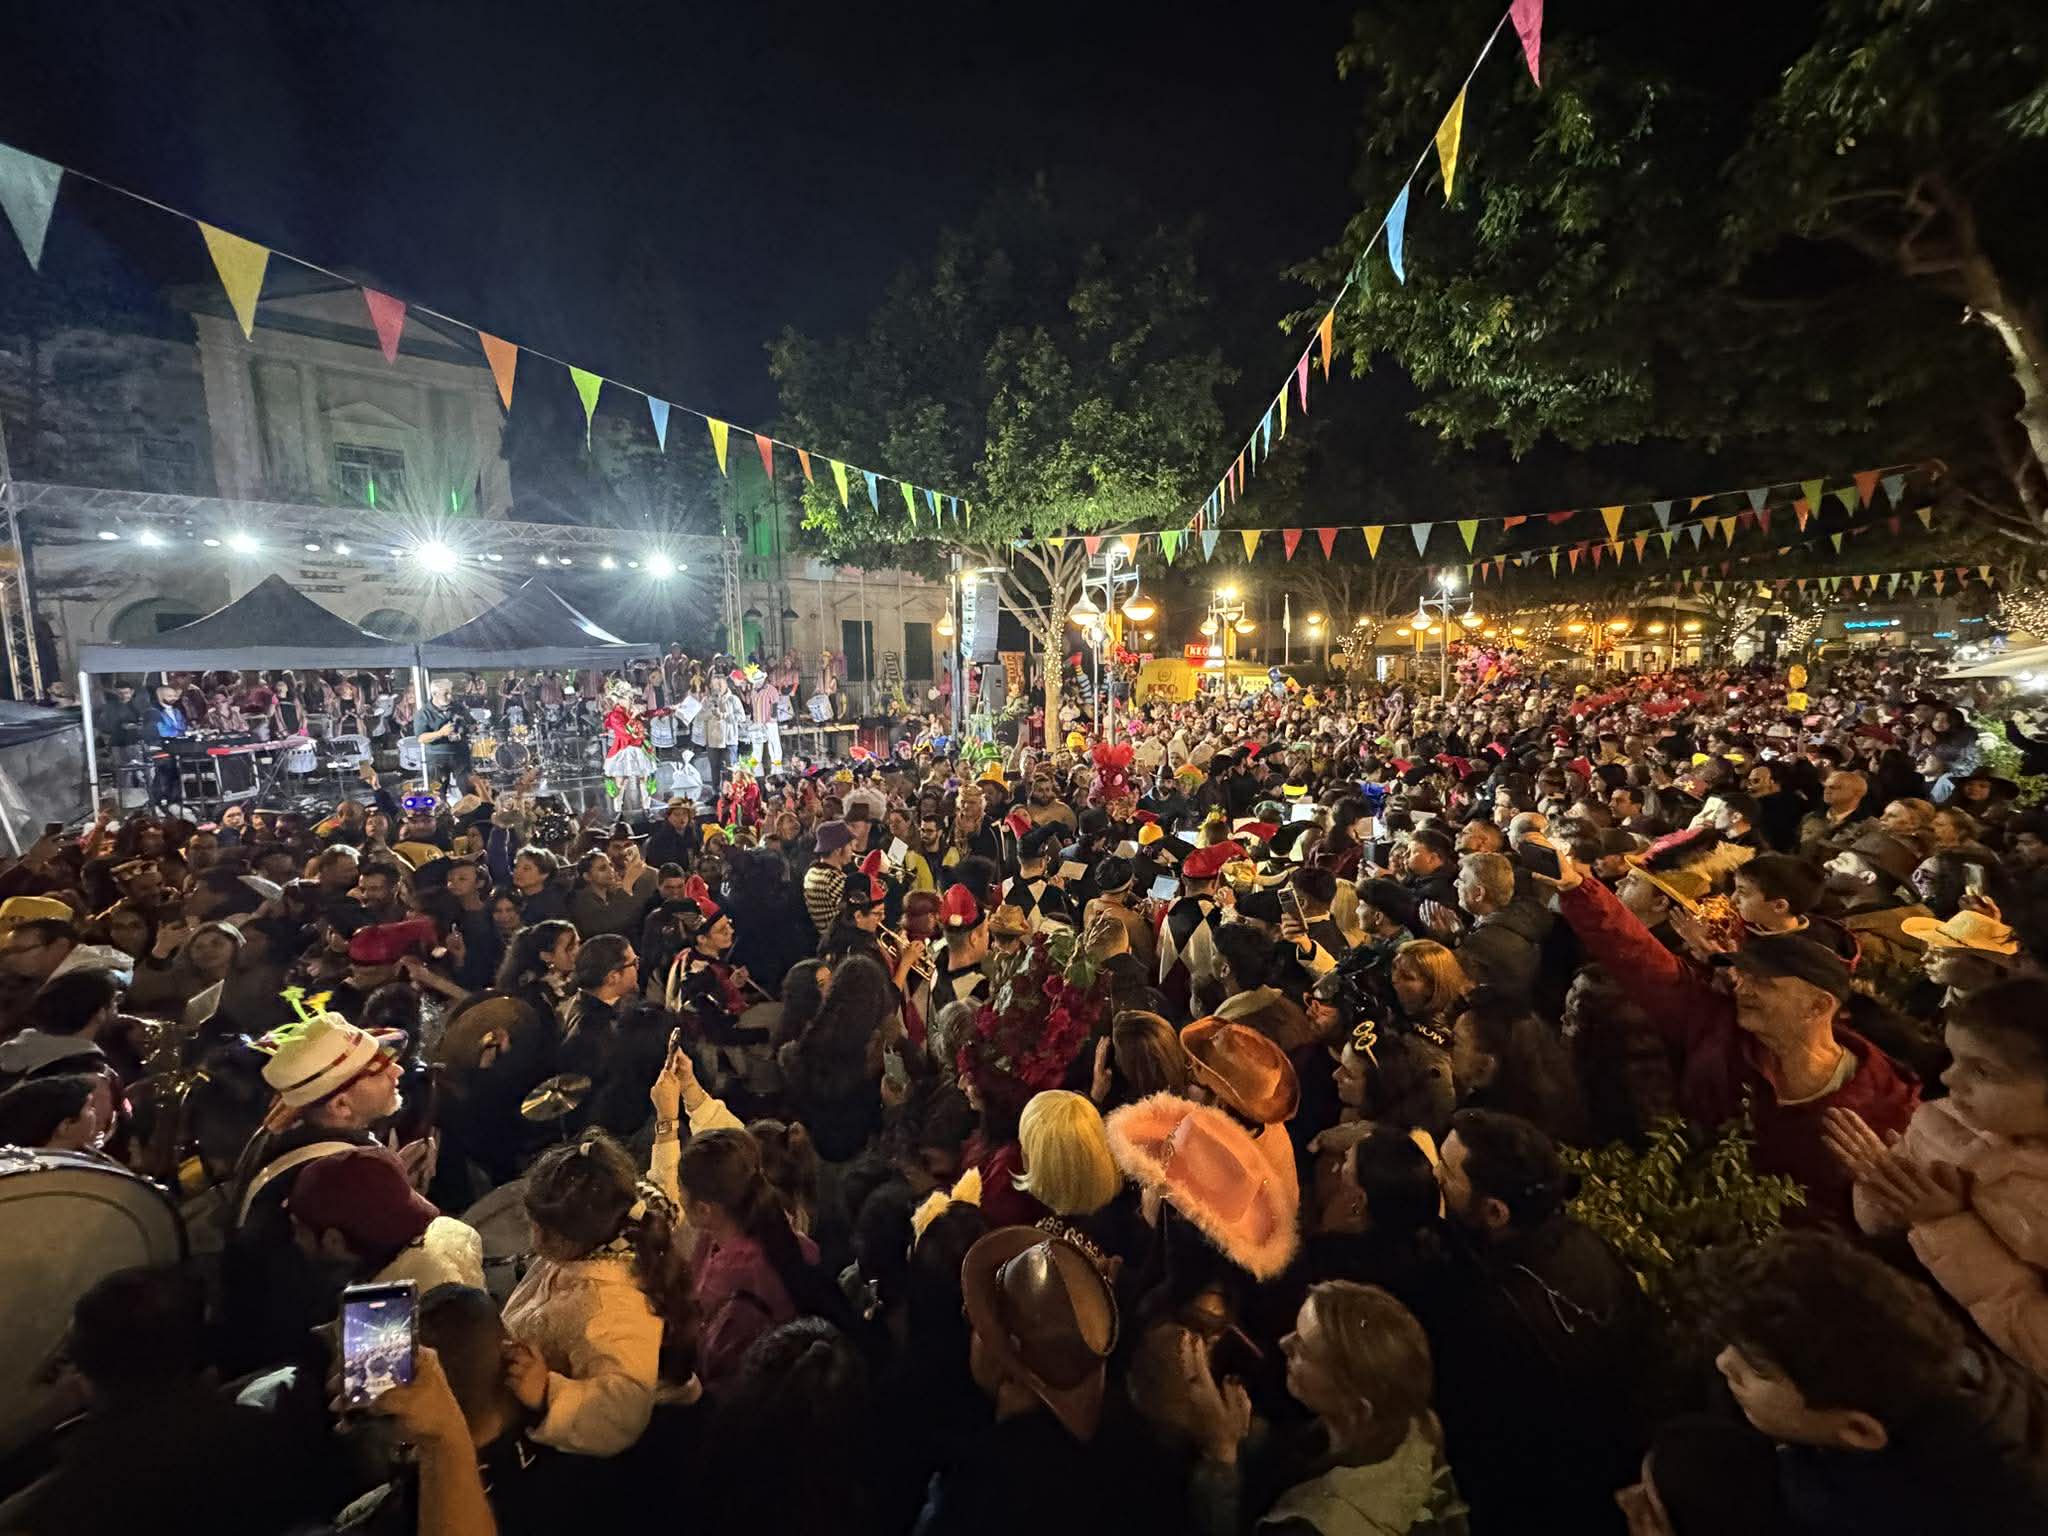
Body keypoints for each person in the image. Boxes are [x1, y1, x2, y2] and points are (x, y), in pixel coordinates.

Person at [1548, 846, 1918, 1227]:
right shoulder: (1715, 1021)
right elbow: (1639, 956)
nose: (1742, 987)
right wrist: (1578, 888)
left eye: (1764, 983)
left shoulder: (1883, 1104)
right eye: (1744, 974)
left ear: (1817, 1006)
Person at [1702, 1229, 2048, 1532]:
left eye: (1757, 1370)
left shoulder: (1905, 1513)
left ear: (1859, 1430)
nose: (1724, 1363)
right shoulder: (1923, 1362)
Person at [1431, 1109, 1658, 1533]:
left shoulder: (1494, 1311)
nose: (1436, 1177)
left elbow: (1481, 1438)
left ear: (1495, 1212)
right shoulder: (1585, 1244)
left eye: (1447, 1171)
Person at [1826, 976, 2048, 1383]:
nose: (1948, 1079)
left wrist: (1947, 1226)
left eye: (1983, 1071)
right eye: (1954, 1058)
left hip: (1984, 1384)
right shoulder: (1946, 1122)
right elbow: (1881, 1226)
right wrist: (1885, 1185)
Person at [1132, 1280, 1466, 1536]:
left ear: (1357, 1408)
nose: (1283, 1343)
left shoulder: (1318, 1525)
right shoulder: (1412, 1423)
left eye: (1304, 1349)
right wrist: (1248, 1438)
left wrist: (1220, 1454)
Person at [502, 1128, 698, 1457]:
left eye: (537, 1224)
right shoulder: (583, 1250)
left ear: (562, 1236)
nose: (531, 1230)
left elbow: (623, 1411)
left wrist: (546, 1393)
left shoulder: (610, 1305)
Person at [671, 1125, 833, 1388]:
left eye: (681, 1190)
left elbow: (703, 1354)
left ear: (703, 1210)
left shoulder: (731, 1278)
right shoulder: (780, 1232)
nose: (678, 1198)